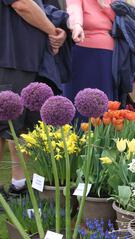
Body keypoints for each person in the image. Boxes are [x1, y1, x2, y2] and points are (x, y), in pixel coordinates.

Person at [0, 0, 66, 197]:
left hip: (24, 58)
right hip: (10, 58)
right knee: (5, 125)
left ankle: (18, 184)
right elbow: (22, 4)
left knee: (20, 127)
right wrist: (52, 31)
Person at [64, 0, 116, 120]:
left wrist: (104, 5)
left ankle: (100, 134)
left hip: (105, 51)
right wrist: (77, 25)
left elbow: (121, 16)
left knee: (102, 97)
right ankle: (75, 133)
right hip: (81, 45)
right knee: (76, 96)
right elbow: (73, 8)